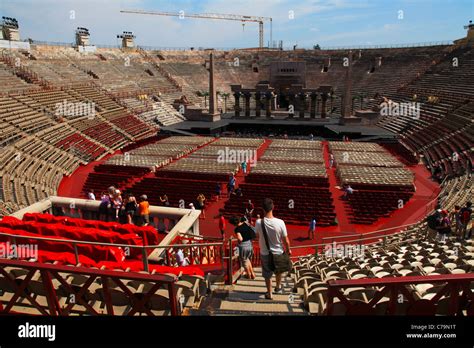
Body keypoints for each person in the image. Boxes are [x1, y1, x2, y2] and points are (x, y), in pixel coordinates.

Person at [255, 198, 292, 300]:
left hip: (265, 252)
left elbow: (256, 235)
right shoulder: (281, 222)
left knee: (267, 273)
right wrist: (288, 250)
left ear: (263, 209)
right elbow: (286, 240)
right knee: (278, 271)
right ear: (273, 207)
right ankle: (278, 287)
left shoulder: (258, 222)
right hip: (279, 251)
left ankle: (269, 293)